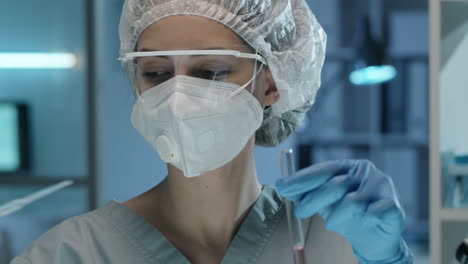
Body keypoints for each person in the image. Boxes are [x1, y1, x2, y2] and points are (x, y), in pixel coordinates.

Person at [11, 0, 414, 263]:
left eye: (209, 72)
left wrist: (390, 259)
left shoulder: (337, 243)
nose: (178, 98)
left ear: (272, 83)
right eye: (156, 73)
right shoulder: (71, 254)